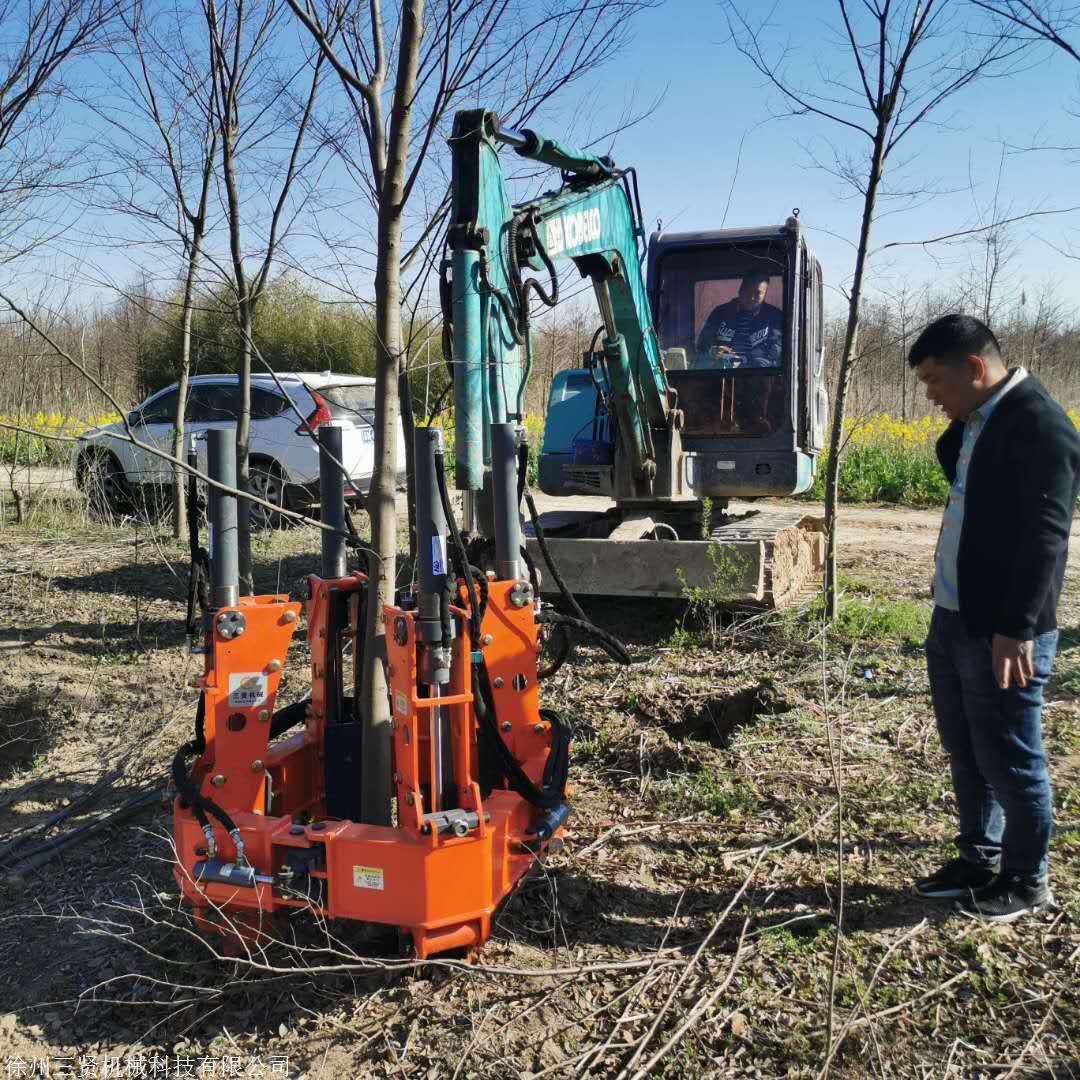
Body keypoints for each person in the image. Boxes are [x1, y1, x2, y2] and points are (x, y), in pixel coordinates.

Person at [909, 314, 1080, 922]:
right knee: (967, 750)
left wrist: (1018, 627)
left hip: (1002, 631)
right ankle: (978, 857)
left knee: (1010, 755)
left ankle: (1027, 879)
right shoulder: (977, 422)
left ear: (975, 368)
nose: (930, 395)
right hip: (954, 616)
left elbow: (1045, 540)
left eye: (934, 381)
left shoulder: (1040, 427)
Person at [694, 273, 782, 369]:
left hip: (758, 377)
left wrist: (744, 362)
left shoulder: (775, 316)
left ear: (765, 294)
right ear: (740, 290)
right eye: (748, 291)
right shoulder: (720, 313)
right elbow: (701, 345)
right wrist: (713, 351)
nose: (752, 298)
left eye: (758, 293)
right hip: (719, 374)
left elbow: (776, 353)